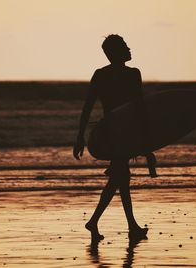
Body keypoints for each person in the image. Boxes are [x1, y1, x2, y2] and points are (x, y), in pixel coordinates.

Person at [73, 34, 155, 242]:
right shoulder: (131, 75)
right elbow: (140, 110)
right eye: (125, 46)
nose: (129, 49)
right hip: (121, 134)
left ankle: (116, 225)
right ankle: (122, 226)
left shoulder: (102, 74)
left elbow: (88, 107)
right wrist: (147, 143)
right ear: (115, 53)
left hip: (113, 132)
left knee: (120, 179)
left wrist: (80, 136)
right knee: (120, 177)